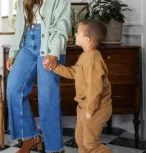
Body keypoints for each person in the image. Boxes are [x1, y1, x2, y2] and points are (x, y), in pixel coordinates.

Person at [6, 0, 71, 153]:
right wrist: (13, 52)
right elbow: (20, 26)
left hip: (50, 45)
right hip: (28, 44)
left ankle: (54, 148)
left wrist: (53, 52)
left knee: (47, 98)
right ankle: (31, 137)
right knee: (14, 89)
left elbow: (62, 24)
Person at [46, 20, 112, 153]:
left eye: (77, 32)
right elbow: (74, 72)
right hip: (83, 106)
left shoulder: (93, 59)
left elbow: (95, 87)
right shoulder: (85, 56)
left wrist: (90, 109)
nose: (75, 34)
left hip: (95, 108)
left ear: (88, 39)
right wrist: (55, 67)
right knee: (81, 140)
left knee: (90, 143)